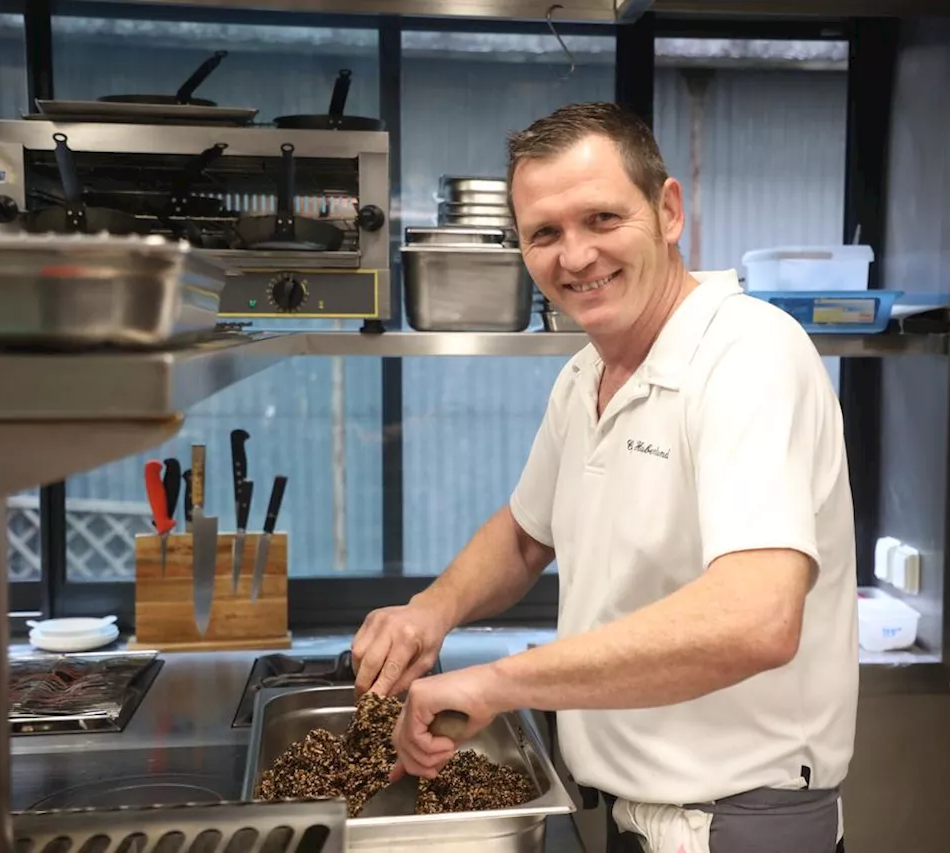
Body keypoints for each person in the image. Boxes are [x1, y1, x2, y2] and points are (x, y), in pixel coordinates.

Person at [351, 101, 859, 853]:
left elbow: (757, 618)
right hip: (632, 814)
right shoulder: (588, 372)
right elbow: (527, 535)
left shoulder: (747, 356)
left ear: (668, 210)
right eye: (545, 234)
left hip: (732, 824)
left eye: (601, 220)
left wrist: (498, 682)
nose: (576, 256)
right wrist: (431, 610)